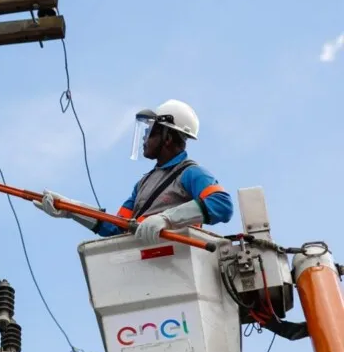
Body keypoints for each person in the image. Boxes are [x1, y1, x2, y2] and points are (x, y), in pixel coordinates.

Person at [34, 99, 233, 244]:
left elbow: (222, 205)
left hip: (180, 261)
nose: (145, 139)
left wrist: (167, 219)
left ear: (167, 138)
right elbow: (118, 227)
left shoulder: (191, 173)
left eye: (150, 132)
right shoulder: (143, 184)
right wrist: (71, 209)